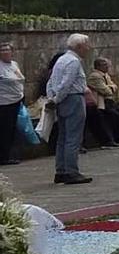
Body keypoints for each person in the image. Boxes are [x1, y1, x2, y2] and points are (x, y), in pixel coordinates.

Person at [47, 34, 92, 184]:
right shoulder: (73, 62)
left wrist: (52, 97)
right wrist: (57, 98)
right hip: (73, 98)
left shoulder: (61, 60)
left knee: (63, 136)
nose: (88, 48)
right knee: (73, 137)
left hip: (63, 100)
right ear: (79, 46)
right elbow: (66, 83)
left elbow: (51, 81)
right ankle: (71, 171)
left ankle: (60, 170)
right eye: (86, 45)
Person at [88, 58, 119, 146]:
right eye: (104, 65)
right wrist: (110, 87)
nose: (107, 66)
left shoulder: (106, 75)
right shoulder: (95, 76)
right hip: (101, 103)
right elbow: (106, 91)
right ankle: (115, 139)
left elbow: (115, 86)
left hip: (109, 101)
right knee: (114, 115)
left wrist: (110, 87)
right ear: (98, 66)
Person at [0, 42, 25, 165]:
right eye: (2, 50)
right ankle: (3, 156)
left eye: (7, 50)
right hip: (3, 102)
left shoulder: (14, 64)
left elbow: (20, 78)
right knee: (4, 129)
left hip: (16, 100)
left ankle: (9, 155)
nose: (5, 52)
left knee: (12, 129)